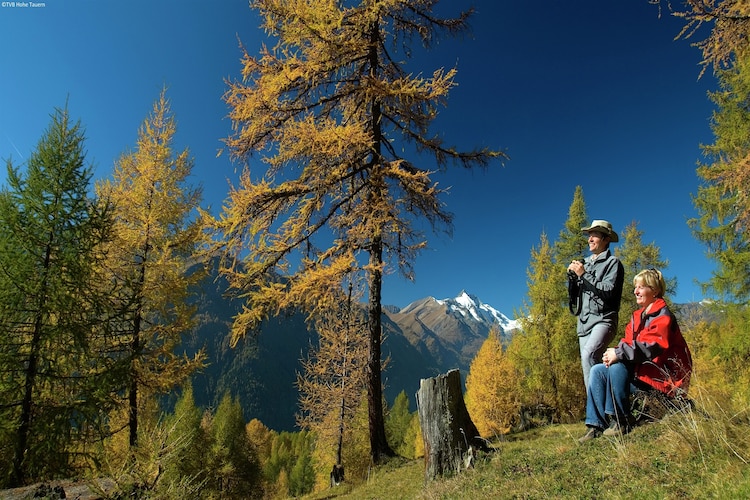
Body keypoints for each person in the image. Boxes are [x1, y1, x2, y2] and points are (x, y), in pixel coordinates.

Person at [578, 268, 693, 443]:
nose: (635, 291)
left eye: (641, 287)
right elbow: (627, 343)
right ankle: (595, 425)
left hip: (663, 379)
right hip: (642, 375)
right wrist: (613, 354)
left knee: (618, 364)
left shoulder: (663, 316)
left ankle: (621, 420)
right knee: (598, 370)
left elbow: (653, 346)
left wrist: (618, 353)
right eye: (635, 287)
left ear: (654, 290)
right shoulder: (637, 317)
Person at [567, 219, 625, 389]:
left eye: (595, 235)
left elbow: (608, 291)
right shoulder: (584, 263)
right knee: (588, 368)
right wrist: (572, 278)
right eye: (589, 235)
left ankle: (597, 413)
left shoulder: (613, 263)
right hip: (584, 323)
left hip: (603, 319)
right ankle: (603, 408)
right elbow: (576, 296)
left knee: (588, 356)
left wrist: (583, 274)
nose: (590, 239)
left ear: (606, 239)